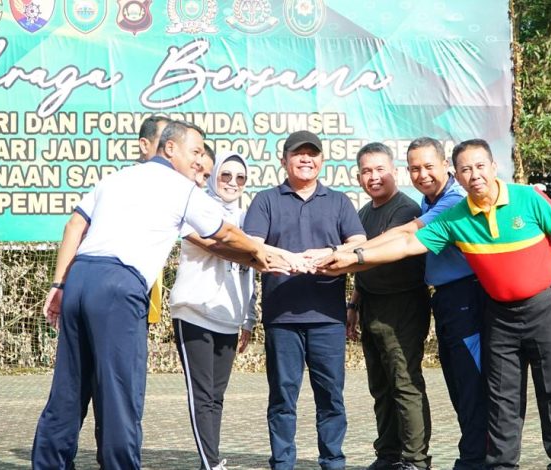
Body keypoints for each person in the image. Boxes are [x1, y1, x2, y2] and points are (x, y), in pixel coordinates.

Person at [316, 139, 551, 470]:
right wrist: (352, 258)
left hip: (525, 306)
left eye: (479, 166)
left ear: (490, 167)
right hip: (490, 313)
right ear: (457, 173)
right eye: (466, 169)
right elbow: (405, 243)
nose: (474, 175)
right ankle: (494, 464)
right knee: (498, 398)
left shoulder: (519, 198)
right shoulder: (452, 215)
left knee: (550, 393)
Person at [31, 120, 270, 470]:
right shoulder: (179, 187)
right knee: (120, 393)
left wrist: (59, 285)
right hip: (118, 285)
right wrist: (262, 253)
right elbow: (224, 233)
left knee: (69, 389)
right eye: (196, 151)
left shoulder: (115, 178)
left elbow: (75, 225)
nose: (200, 161)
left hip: (80, 276)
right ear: (170, 148)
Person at [243, 130, 367, 470]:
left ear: (322, 161)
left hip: (328, 316)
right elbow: (253, 245)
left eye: (313, 154)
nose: (306, 159)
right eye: (298, 154)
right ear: (283, 160)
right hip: (282, 316)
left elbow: (358, 242)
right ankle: (282, 463)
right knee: (283, 397)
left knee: (331, 397)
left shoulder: (339, 201)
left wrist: (330, 252)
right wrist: (289, 259)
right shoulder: (266, 200)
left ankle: (333, 461)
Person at [169, 152, 255, 470]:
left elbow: (250, 273)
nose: (232, 183)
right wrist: (261, 251)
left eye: (240, 178)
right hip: (194, 310)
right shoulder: (197, 208)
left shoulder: (248, 218)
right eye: (225, 176)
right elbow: (220, 246)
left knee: (217, 396)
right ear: (215, 177)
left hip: (229, 317)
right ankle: (211, 463)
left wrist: (248, 317)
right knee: (202, 395)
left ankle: (212, 457)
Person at [348, 143, 432, 470]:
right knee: (381, 387)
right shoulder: (364, 213)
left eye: (380, 169)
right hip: (371, 306)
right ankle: (388, 455)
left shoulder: (406, 209)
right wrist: (353, 305)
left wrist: (334, 257)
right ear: (358, 177)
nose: (374, 177)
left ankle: (415, 460)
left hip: (403, 306)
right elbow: (360, 266)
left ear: (394, 172)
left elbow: (371, 255)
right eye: (367, 171)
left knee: (405, 384)